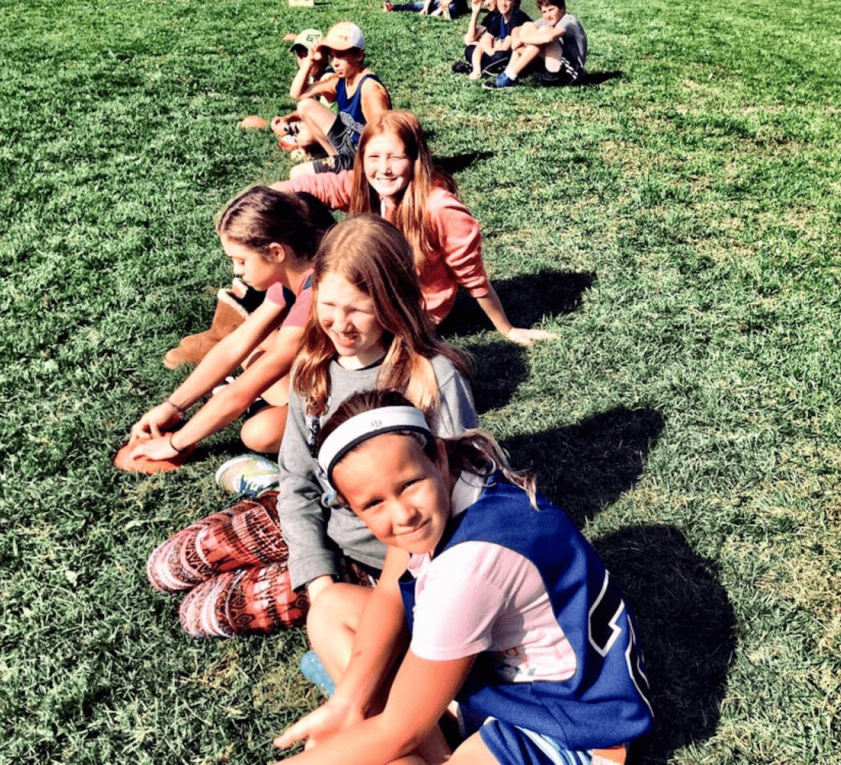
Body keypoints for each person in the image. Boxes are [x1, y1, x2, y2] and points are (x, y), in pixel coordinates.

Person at [272, 389, 654, 765]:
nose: (403, 513)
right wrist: (348, 702)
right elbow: (390, 591)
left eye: (408, 485)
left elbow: (400, 731)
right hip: (507, 675)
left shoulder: (470, 565)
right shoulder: (462, 473)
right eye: (374, 502)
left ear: (437, 455)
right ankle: (437, 740)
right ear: (350, 506)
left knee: (391, 751)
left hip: (567, 724)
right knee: (331, 608)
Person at [145, 215, 477, 638]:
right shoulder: (313, 370)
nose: (340, 324)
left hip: (378, 558)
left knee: (201, 613)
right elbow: (299, 481)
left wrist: (336, 597)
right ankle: (265, 489)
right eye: (328, 307)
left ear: (393, 300)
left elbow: (462, 501)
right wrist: (316, 576)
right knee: (167, 566)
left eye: (358, 309)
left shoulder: (433, 377)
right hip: (311, 519)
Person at [275, 111, 556, 346]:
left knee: (322, 326)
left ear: (414, 159)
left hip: (415, 308)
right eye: (373, 158)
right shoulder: (369, 188)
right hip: (372, 288)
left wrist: (506, 328)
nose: (384, 169)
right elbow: (322, 187)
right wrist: (270, 194)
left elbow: (472, 276)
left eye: (395, 158)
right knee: (303, 293)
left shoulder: (438, 207)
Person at [126, 188, 333, 465]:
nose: (237, 271)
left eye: (241, 260)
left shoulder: (318, 292)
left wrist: (176, 443)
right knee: (252, 345)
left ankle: (278, 411)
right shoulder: (292, 272)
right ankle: (271, 404)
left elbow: (245, 391)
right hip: (324, 372)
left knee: (259, 433)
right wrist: (172, 407)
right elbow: (235, 346)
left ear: (275, 252)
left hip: (360, 395)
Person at [287, 22, 392, 177]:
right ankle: (335, 161)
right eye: (332, 56)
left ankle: (346, 175)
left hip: (364, 160)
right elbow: (298, 94)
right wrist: (310, 61)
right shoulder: (340, 80)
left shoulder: (369, 90)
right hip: (349, 148)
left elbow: (384, 140)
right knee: (305, 105)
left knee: (297, 173)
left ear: (359, 55)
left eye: (341, 55)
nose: (335, 63)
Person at [239, 28, 331, 149]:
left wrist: (291, 127)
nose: (306, 60)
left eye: (310, 54)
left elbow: (326, 120)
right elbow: (311, 110)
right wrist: (287, 119)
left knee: (306, 137)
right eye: (300, 54)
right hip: (327, 129)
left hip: (338, 132)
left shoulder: (329, 77)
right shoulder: (313, 77)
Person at [483, 0, 587, 89]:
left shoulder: (568, 20)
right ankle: (508, 73)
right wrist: (519, 39)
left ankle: (510, 76)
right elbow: (519, 29)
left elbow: (548, 38)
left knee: (544, 32)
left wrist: (522, 40)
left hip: (568, 73)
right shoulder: (546, 20)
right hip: (548, 72)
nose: (548, 15)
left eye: (551, 10)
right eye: (544, 12)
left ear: (562, 8)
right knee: (528, 26)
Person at [453, 0, 531, 80]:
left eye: (507, 0)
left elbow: (504, 48)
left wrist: (491, 48)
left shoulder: (517, 16)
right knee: (470, 49)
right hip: (496, 54)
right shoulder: (499, 16)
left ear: (514, 2)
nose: (503, 4)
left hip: (518, 57)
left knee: (500, 56)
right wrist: (477, 70)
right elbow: (482, 44)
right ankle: (480, 68)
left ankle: (473, 67)